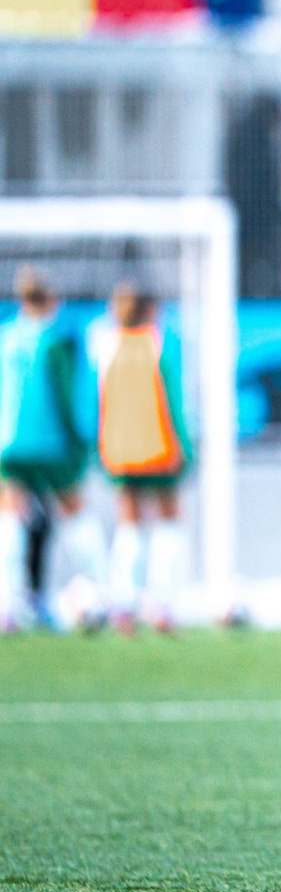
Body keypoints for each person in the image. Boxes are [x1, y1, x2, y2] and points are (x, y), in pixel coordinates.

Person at [0, 268, 100, 631]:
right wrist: (80, 442)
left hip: (9, 443)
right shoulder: (56, 343)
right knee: (75, 513)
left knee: (10, 516)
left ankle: (8, 604)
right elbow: (68, 398)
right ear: (52, 301)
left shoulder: (7, 338)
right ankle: (97, 594)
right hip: (52, 444)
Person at [93, 284, 192, 635]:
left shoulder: (106, 346)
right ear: (149, 310)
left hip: (120, 450)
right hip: (159, 447)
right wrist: (184, 446)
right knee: (168, 521)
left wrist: (101, 445)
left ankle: (123, 604)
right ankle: (161, 604)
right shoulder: (158, 344)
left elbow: (99, 401)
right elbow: (173, 400)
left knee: (129, 525)